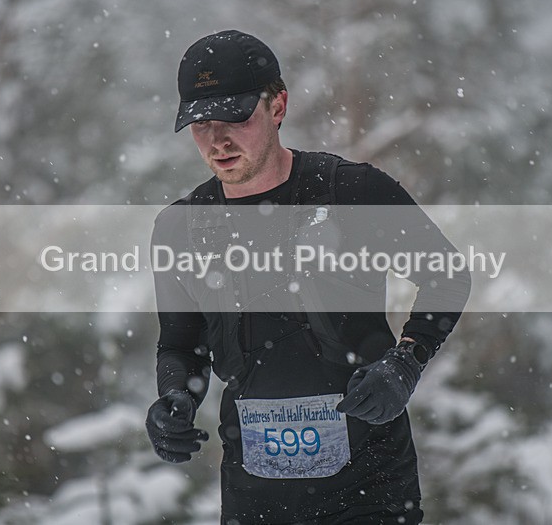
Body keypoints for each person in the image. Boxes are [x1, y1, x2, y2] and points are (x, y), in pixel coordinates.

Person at [146, 29, 470, 525]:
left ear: (278, 105)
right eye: (200, 122)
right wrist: (174, 399)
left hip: (368, 485)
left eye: (235, 115)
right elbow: (181, 344)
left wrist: (406, 362)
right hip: (254, 493)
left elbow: (447, 274)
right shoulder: (179, 228)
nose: (218, 139)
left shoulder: (351, 193)